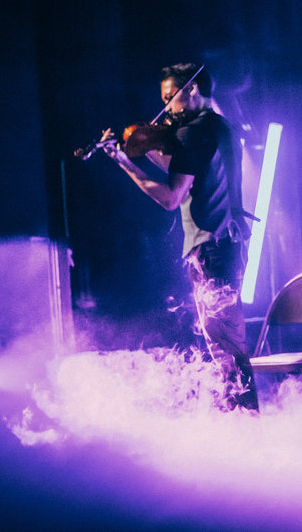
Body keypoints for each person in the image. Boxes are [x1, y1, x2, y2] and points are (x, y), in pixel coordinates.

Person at [102, 63, 258, 412]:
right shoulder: (215, 126)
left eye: (170, 97)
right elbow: (184, 167)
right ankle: (239, 419)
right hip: (222, 244)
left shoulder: (193, 133)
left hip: (212, 246)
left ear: (192, 89)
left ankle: (245, 424)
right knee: (224, 342)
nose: (168, 108)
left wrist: (127, 164)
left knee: (225, 345)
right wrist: (134, 150)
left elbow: (171, 197)